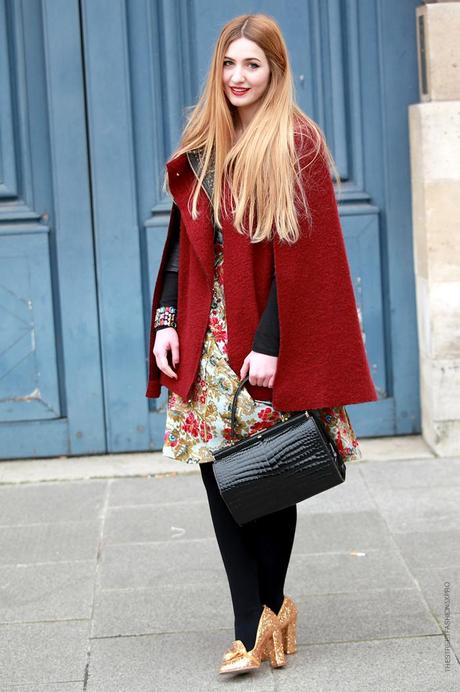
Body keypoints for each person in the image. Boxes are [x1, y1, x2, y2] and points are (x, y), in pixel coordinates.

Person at [145, 13, 378, 676]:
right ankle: (255, 620)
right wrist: (166, 322)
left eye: (252, 64)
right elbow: (180, 251)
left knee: (273, 473)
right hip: (208, 337)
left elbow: (303, 256)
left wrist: (273, 342)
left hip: (266, 337)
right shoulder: (207, 144)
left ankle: (264, 616)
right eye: (229, 64)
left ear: (275, 70)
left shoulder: (296, 144)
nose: (238, 77)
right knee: (221, 477)